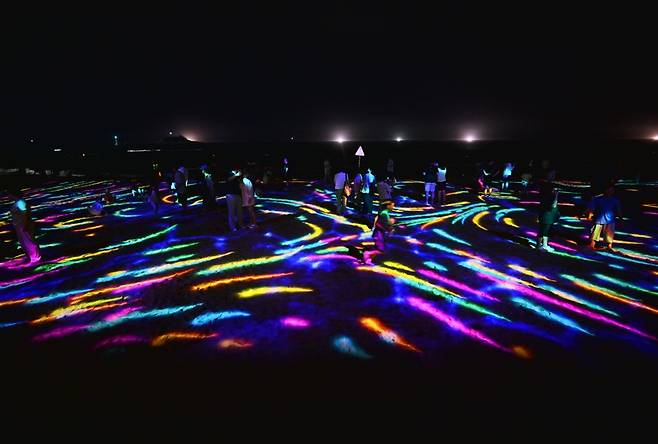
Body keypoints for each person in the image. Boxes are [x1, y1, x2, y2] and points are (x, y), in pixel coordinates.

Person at [8, 189, 41, 264]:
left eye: (9, 195)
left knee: (29, 242)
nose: (8, 196)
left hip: (24, 225)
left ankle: (35, 258)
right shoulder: (18, 202)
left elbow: (26, 214)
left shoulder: (20, 202)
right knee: (24, 242)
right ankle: (31, 257)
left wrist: (25, 225)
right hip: (20, 226)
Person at [586, 184, 622, 251]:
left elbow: (618, 209)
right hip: (599, 218)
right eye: (608, 189)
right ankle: (592, 244)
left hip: (610, 219)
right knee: (595, 233)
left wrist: (620, 217)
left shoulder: (615, 200)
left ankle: (609, 246)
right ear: (605, 190)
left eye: (612, 190)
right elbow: (592, 208)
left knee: (609, 234)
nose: (610, 191)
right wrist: (590, 215)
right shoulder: (598, 198)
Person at [363, 199, 397, 265]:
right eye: (392, 205)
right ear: (388, 206)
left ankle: (368, 259)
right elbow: (380, 224)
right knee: (380, 249)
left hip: (380, 233)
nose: (393, 207)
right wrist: (390, 225)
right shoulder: (384, 214)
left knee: (379, 248)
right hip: (379, 234)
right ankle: (367, 254)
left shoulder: (385, 213)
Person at [536, 181, 560, 252]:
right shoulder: (549, 196)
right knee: (543, 231)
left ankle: (543, 245)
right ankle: (539, 245)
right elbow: (553, 205)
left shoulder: (544, 196)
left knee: (544, 231)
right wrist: (556, 195)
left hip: (545, 216)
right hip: (547, 217)